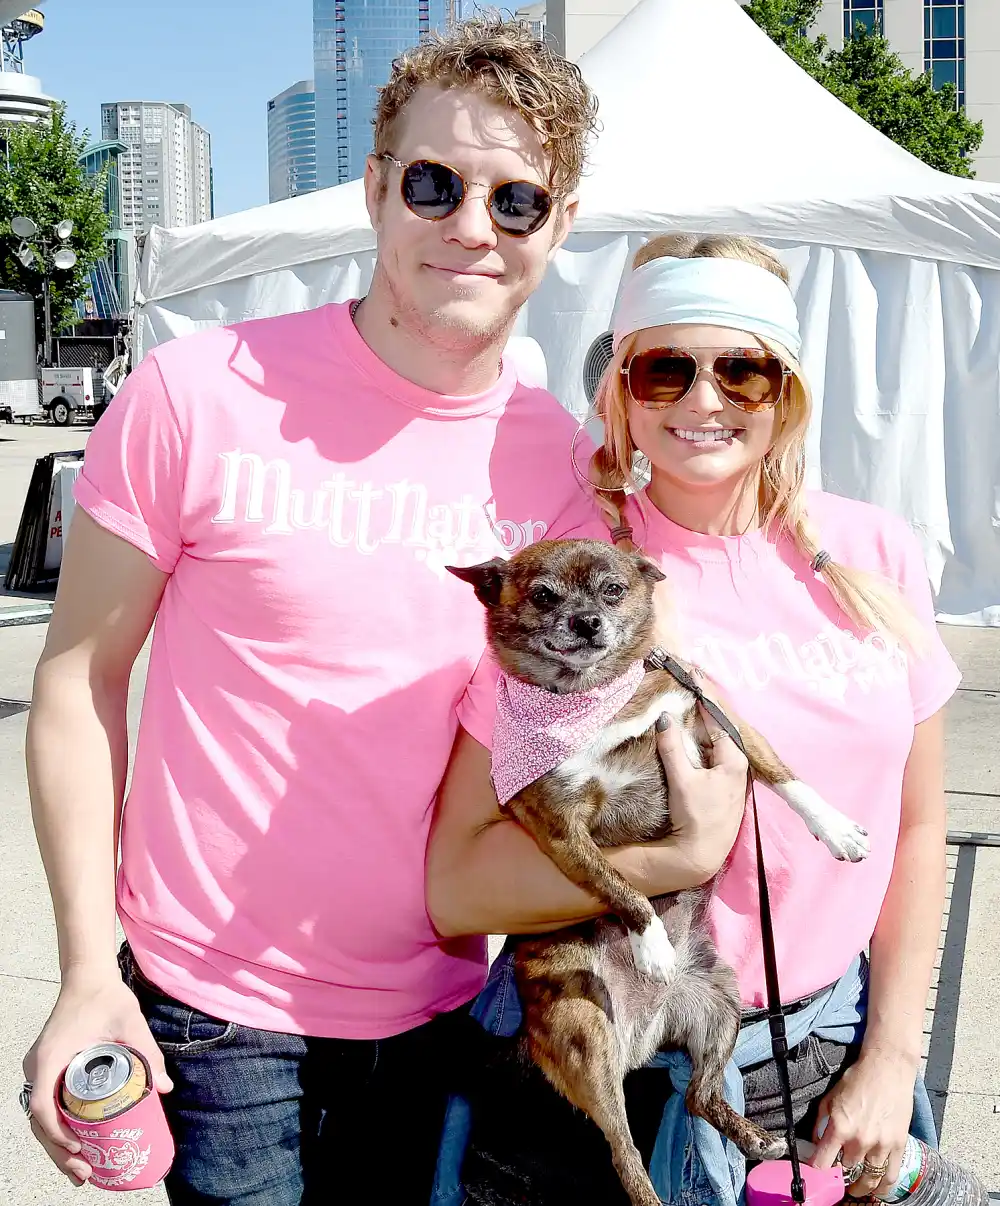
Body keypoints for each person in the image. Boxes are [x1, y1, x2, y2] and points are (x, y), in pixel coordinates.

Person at [18, 19, 620, 1206]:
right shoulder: (196, 393)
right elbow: (79, 681)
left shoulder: (564, 471)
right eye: (436, 184)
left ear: (557, 228)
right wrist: (86, 973)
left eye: (515, 201)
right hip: (214, 1013)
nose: (471, 227)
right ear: (376, 187)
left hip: (449, 1009)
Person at [426, 234, 961, 1205]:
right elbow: (458, 886)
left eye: (741, 370)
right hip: (598, 1054)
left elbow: (917, 826)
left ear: (785, 392)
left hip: (823, 1054)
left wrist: (891, 1054)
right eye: (664, 370)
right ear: (622, 395)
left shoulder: (873, 552)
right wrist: (675, 859)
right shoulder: (573, 588)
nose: (702, 401)